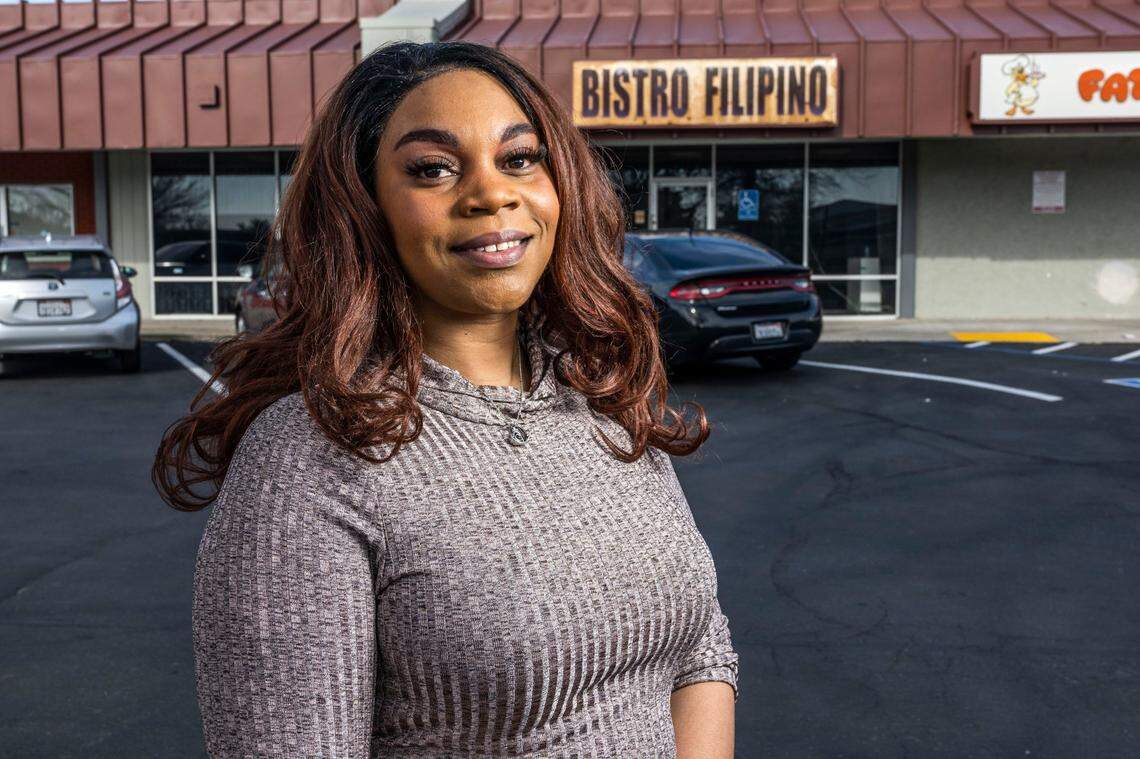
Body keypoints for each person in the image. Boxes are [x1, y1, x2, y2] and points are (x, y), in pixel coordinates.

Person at [153, 40, 739, 758]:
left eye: (519, 158)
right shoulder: (307, 459)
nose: (492, 193)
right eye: (432, 169)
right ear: (365, 208)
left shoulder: (598, 393)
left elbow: (700, 644)